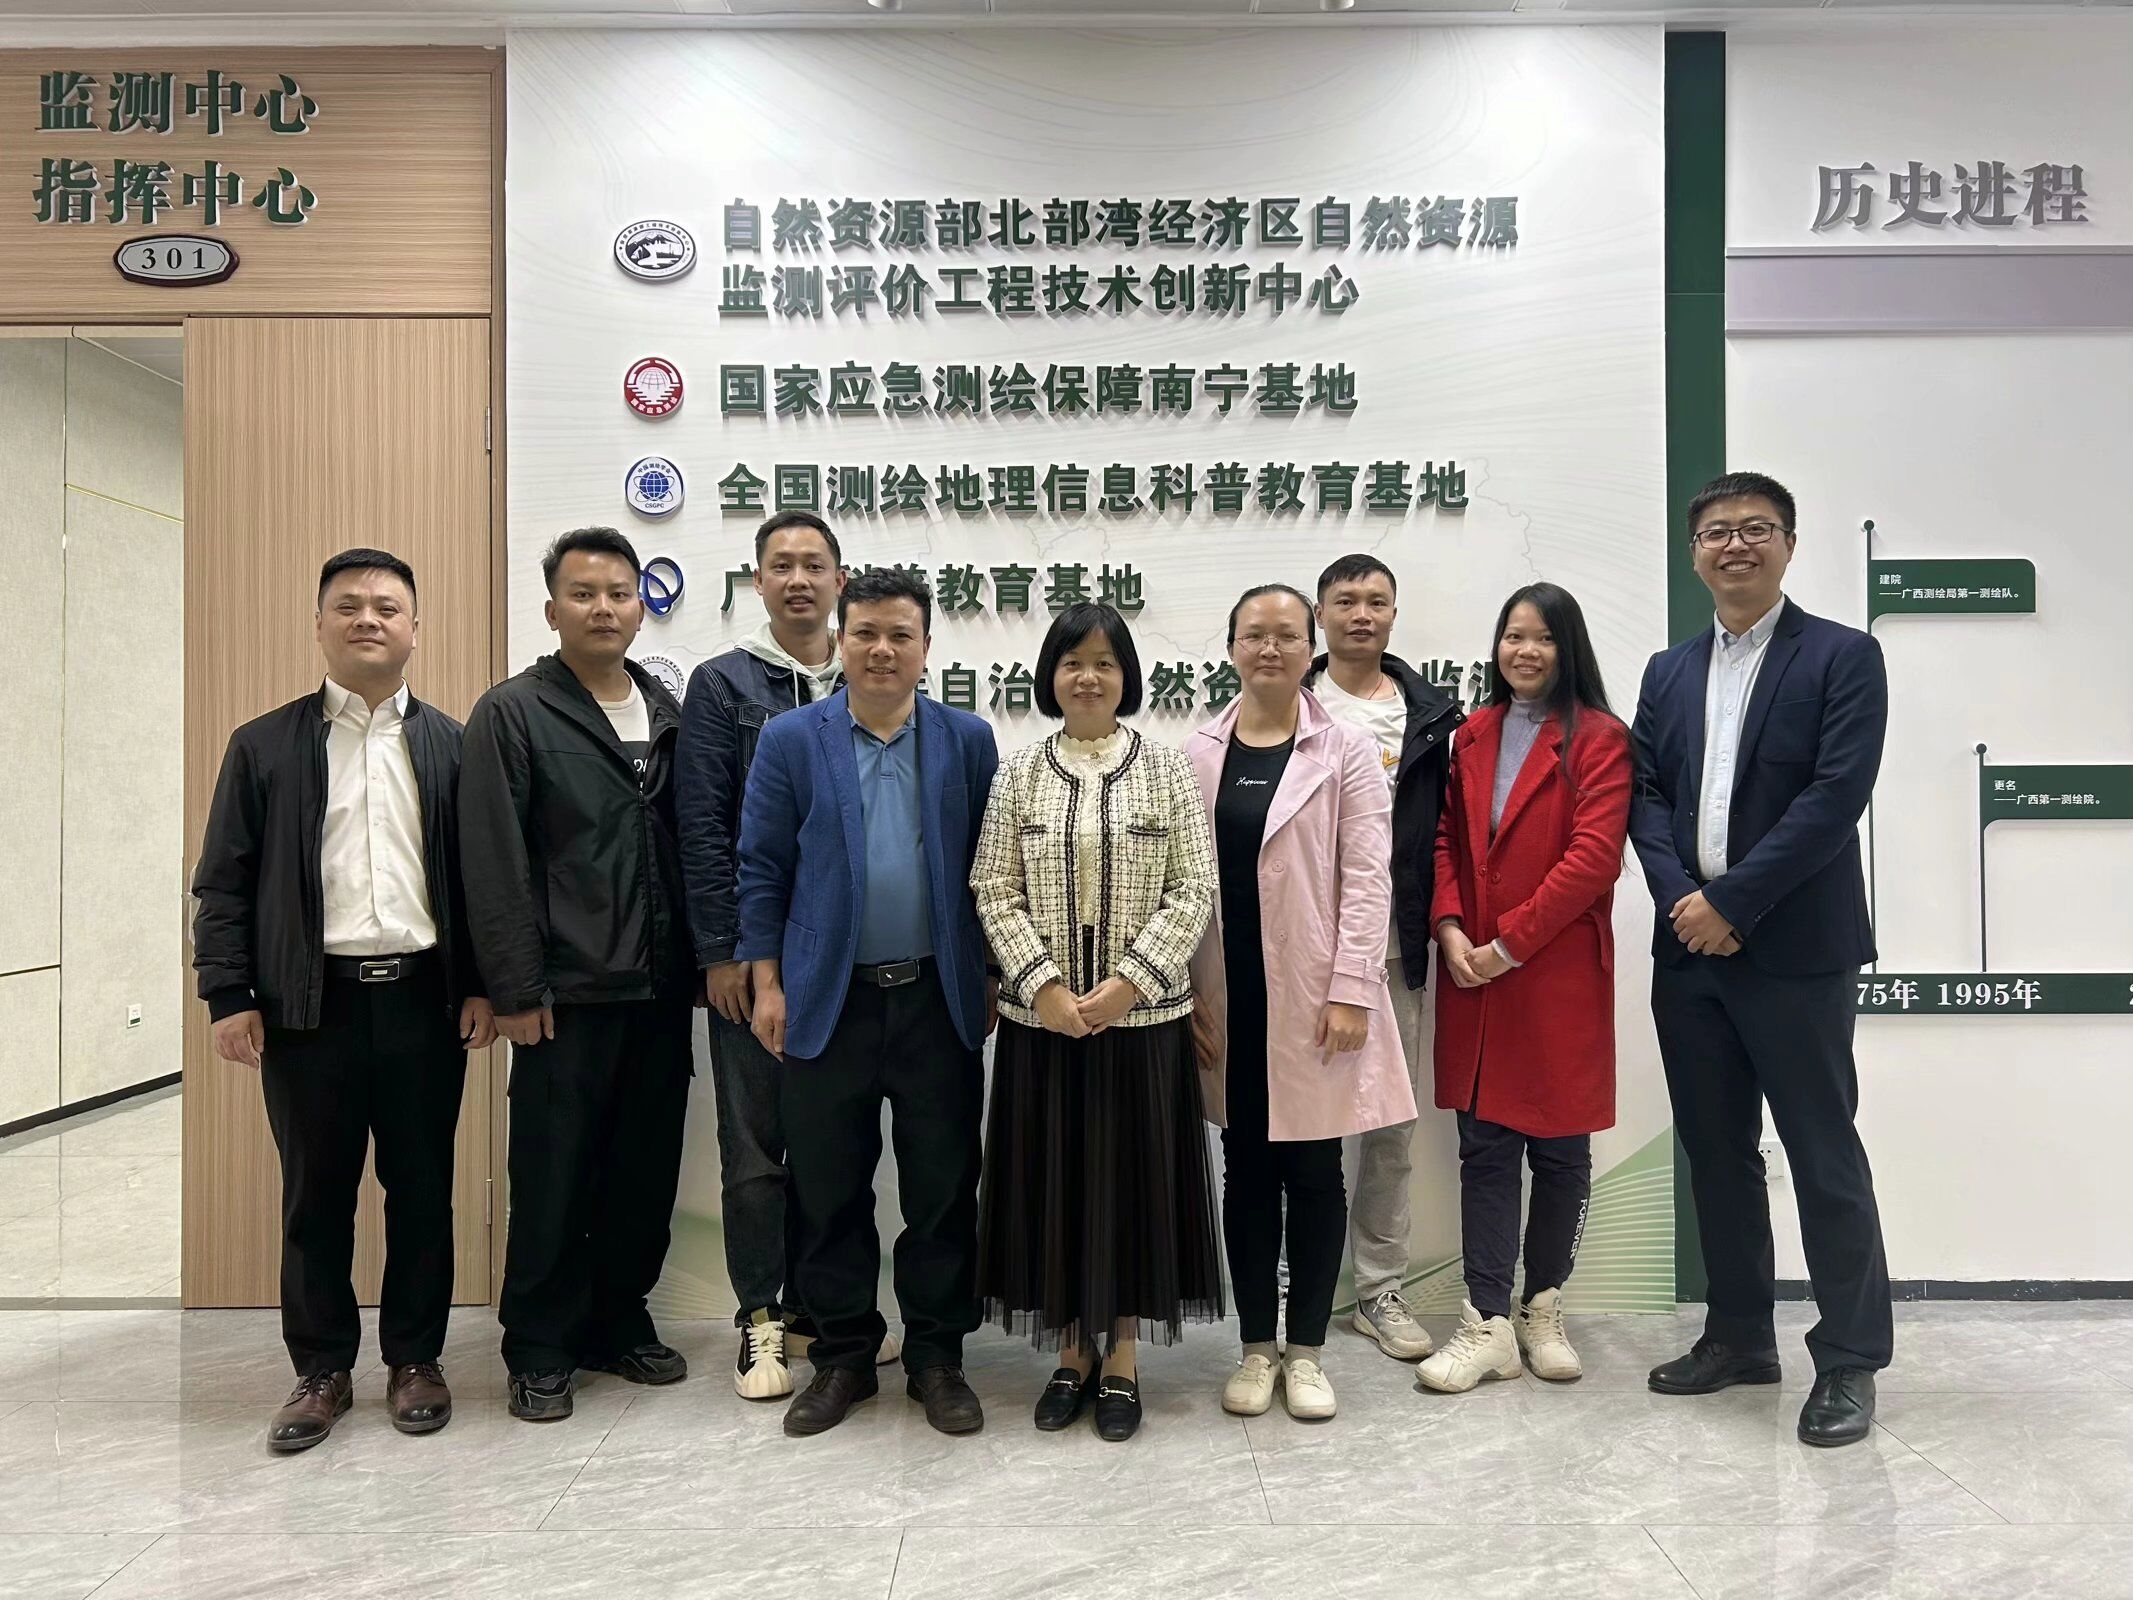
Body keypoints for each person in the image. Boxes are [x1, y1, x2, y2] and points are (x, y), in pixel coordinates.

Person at [192, 548, 493, 1453]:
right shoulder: (263, 745)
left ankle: (415, 1360)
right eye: (350, 606)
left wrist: (481, 985)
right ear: (319, 624)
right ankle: (321, 1368)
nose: (369, 619)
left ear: (415, 629)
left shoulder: (453, 746)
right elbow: (223, 883)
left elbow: (480, 884)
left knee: (422, 1192)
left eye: (387, 608)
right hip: (307, 1007)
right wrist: (227, 993)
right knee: (314, 1198)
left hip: (423, 1003)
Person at [1629, 471, 1892, 1449]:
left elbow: (1834, 797)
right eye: (1716, 531)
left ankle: (1850, 1358)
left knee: (1822, 1153)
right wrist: (1685, 905)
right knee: (1717, 1154)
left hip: (1796, 951)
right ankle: (1739, 1336)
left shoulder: (1842, 656)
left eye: (1754, 528)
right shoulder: (1667, 670)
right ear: (1693, 550)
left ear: (1787, 543)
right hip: (1689, 953)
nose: (1734, 544)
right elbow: (1644, 797)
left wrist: (1732, 903)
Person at [734, 568, 1001, 1438]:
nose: (882, 650)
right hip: (827, 1000)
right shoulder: (791, 739)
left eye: (900, 635)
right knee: (828, 1189)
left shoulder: (967, 740)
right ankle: (844, 1356)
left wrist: (988, 976)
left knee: (941, 1190)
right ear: (840, 642)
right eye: (866, 634)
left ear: (926, 648)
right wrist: (767, 982)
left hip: (936, 998)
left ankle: (936, 1358)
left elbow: (990, 868)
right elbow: (761, 866)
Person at [460, 527, 696, 1423]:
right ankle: (539, 1346)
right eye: (584, 593)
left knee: (643, 1172)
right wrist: (516, 989)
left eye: (619, 594)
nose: (604, 608)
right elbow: (493, 862)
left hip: (657, 989)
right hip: (563, 996)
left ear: (641, 606)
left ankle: (617, 1320)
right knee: (553, 1177)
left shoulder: (666, 711)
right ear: (552, 609)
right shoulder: (514, 713)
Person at [970, 603, 1223, 1443]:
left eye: (1105, 663)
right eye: (1073, 661)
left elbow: (1193, 889)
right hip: (1042, 1028)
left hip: (1141, 1026)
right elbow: (992, 887)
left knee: (1130, 1188)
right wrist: (1041, 985)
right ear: (1050, 674)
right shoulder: (1018, 772)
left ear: (1126, 677)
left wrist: (1128, 985)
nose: (1088, 676)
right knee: (1057, 1185)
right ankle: (1070, 1354)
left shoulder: (1167, 769)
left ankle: (1121, 1358)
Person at [676, 511, 898, 1399]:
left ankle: (821, 1313)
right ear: (758, 581)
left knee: (831, 1146)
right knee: (755, 1147)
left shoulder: (870, 679)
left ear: (840, 582)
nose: (797, 579)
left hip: (848, 961)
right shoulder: (723, 685)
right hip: (757, 959)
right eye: (780, 565)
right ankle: (760, 1318)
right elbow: (703, 828)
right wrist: (725, 950)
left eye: (814, 565)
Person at [1185, 584, 1417, 1423]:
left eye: (1287, 635)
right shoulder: (1197, 751)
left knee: (1315, 1175)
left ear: (1308, 648)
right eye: (1254, 635)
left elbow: (1367, 876)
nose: (1270, 649)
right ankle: (1256, 1348)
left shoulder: (1343, 747)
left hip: (1318, 999)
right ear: (1231, 648)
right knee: (1244, 1171)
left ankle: (1308, 1351)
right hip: (1228, 993)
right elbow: (1181, 882)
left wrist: (1353, 988)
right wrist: (1186, 993)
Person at [1418, 583, 1631, 1393]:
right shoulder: (1472, 733)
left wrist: (1509, 944)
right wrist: (1448, 927)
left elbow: (1592, 859)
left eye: (1541, 638)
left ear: (1566, 647)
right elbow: (1442, 838)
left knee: (1560, 1148)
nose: (1525, 651)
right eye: (1513, 636)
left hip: (1553, 973)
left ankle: (1542, 1305)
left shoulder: (1600, 738)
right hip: (1473, 967)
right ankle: (1487, 1322)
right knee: (1485, 1149)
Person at [1301, 554, 1462, 1362]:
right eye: (1345, 601)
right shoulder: (1288, 704)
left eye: (1375, 601)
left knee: (1391, 1125)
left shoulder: (1428, 716)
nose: (1360, 614)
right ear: (1319, 614)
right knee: (1302, 1124)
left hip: (1394, 941)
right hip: (1300, 944)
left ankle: (1379, 1288)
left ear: (1393, 615)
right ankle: (1297, 1288)